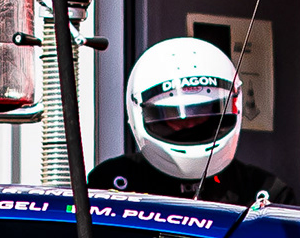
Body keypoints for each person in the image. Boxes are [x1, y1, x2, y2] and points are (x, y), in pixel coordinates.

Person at [89, 36, 288, 207]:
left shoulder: (265, 191)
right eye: (171, 114)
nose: (189, 123)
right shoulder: (111, 184)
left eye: (202, 111)